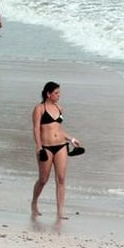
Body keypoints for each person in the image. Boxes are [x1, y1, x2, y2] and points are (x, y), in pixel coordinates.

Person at [30, 81, 84, 220]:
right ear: (48, 94)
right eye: (56, 93)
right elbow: (36, 129)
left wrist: (71, 139)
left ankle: (60, 212)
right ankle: (34, 202)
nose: (59, 95)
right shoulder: (39, 109)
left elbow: (58, 130)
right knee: (43, 179)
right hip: (46, 147)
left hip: (61, 145)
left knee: (61, 179)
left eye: (59, 93)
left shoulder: (59, 108)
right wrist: (39, 146)